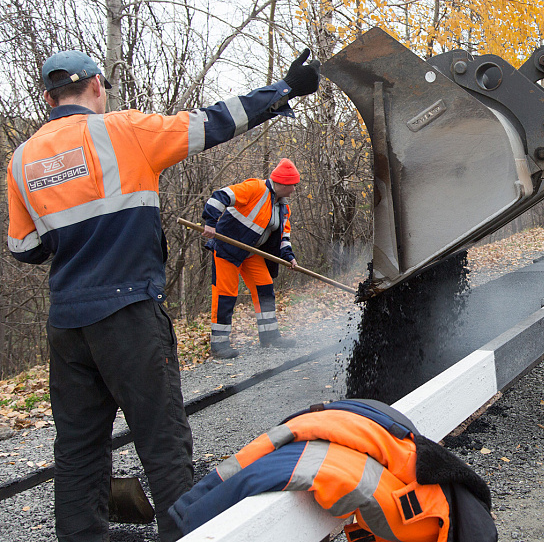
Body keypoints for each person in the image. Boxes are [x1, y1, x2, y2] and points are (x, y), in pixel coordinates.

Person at [6, 48, 321, 541]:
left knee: (78, 451)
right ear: (96, 86)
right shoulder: (122, 131)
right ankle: (186, 535)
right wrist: (284, 89)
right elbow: (213, 123)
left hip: (68, 323)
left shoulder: (22, 159)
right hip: (128, 312)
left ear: (48, 98)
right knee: (164, 443)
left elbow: (24, 249)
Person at [201, 158, 302, 358]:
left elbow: (284, 236)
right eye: (293, 185)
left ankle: (270, 336)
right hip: (227, 249)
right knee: (226, 293)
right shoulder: (254, 188)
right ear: (282, 183)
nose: (294, 189)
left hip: (251, 252)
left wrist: (289, 256)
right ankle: (219, 345)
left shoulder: (283, 208)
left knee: (265, 287)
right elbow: (220, 196)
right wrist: (210, 222)